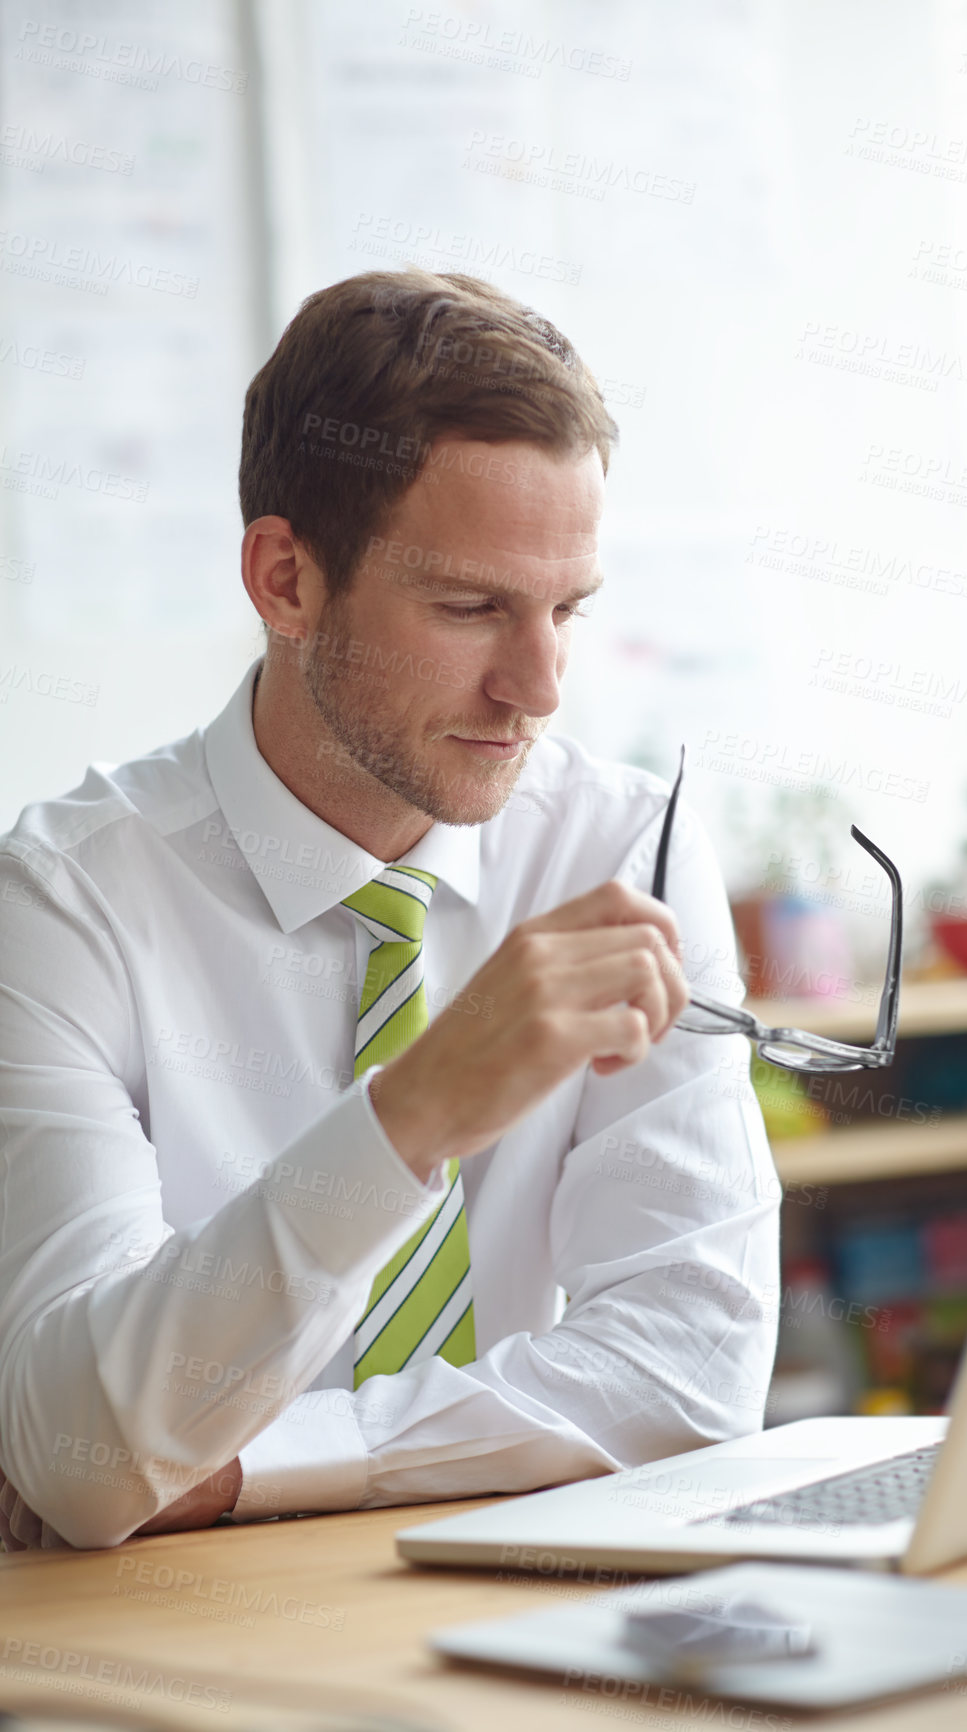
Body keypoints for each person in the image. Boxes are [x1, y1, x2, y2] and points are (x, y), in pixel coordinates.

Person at [0, 269, 780, 1551]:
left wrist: (275, 1458)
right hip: (186, 1637)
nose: (537, 687)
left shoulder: (624, 846)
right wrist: (414, 1115)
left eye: (566, 609)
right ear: (286, 581)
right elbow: (79, 1458)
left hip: (501, 1588)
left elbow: (693, 1372)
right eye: (471, 607)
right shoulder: (64, 904)